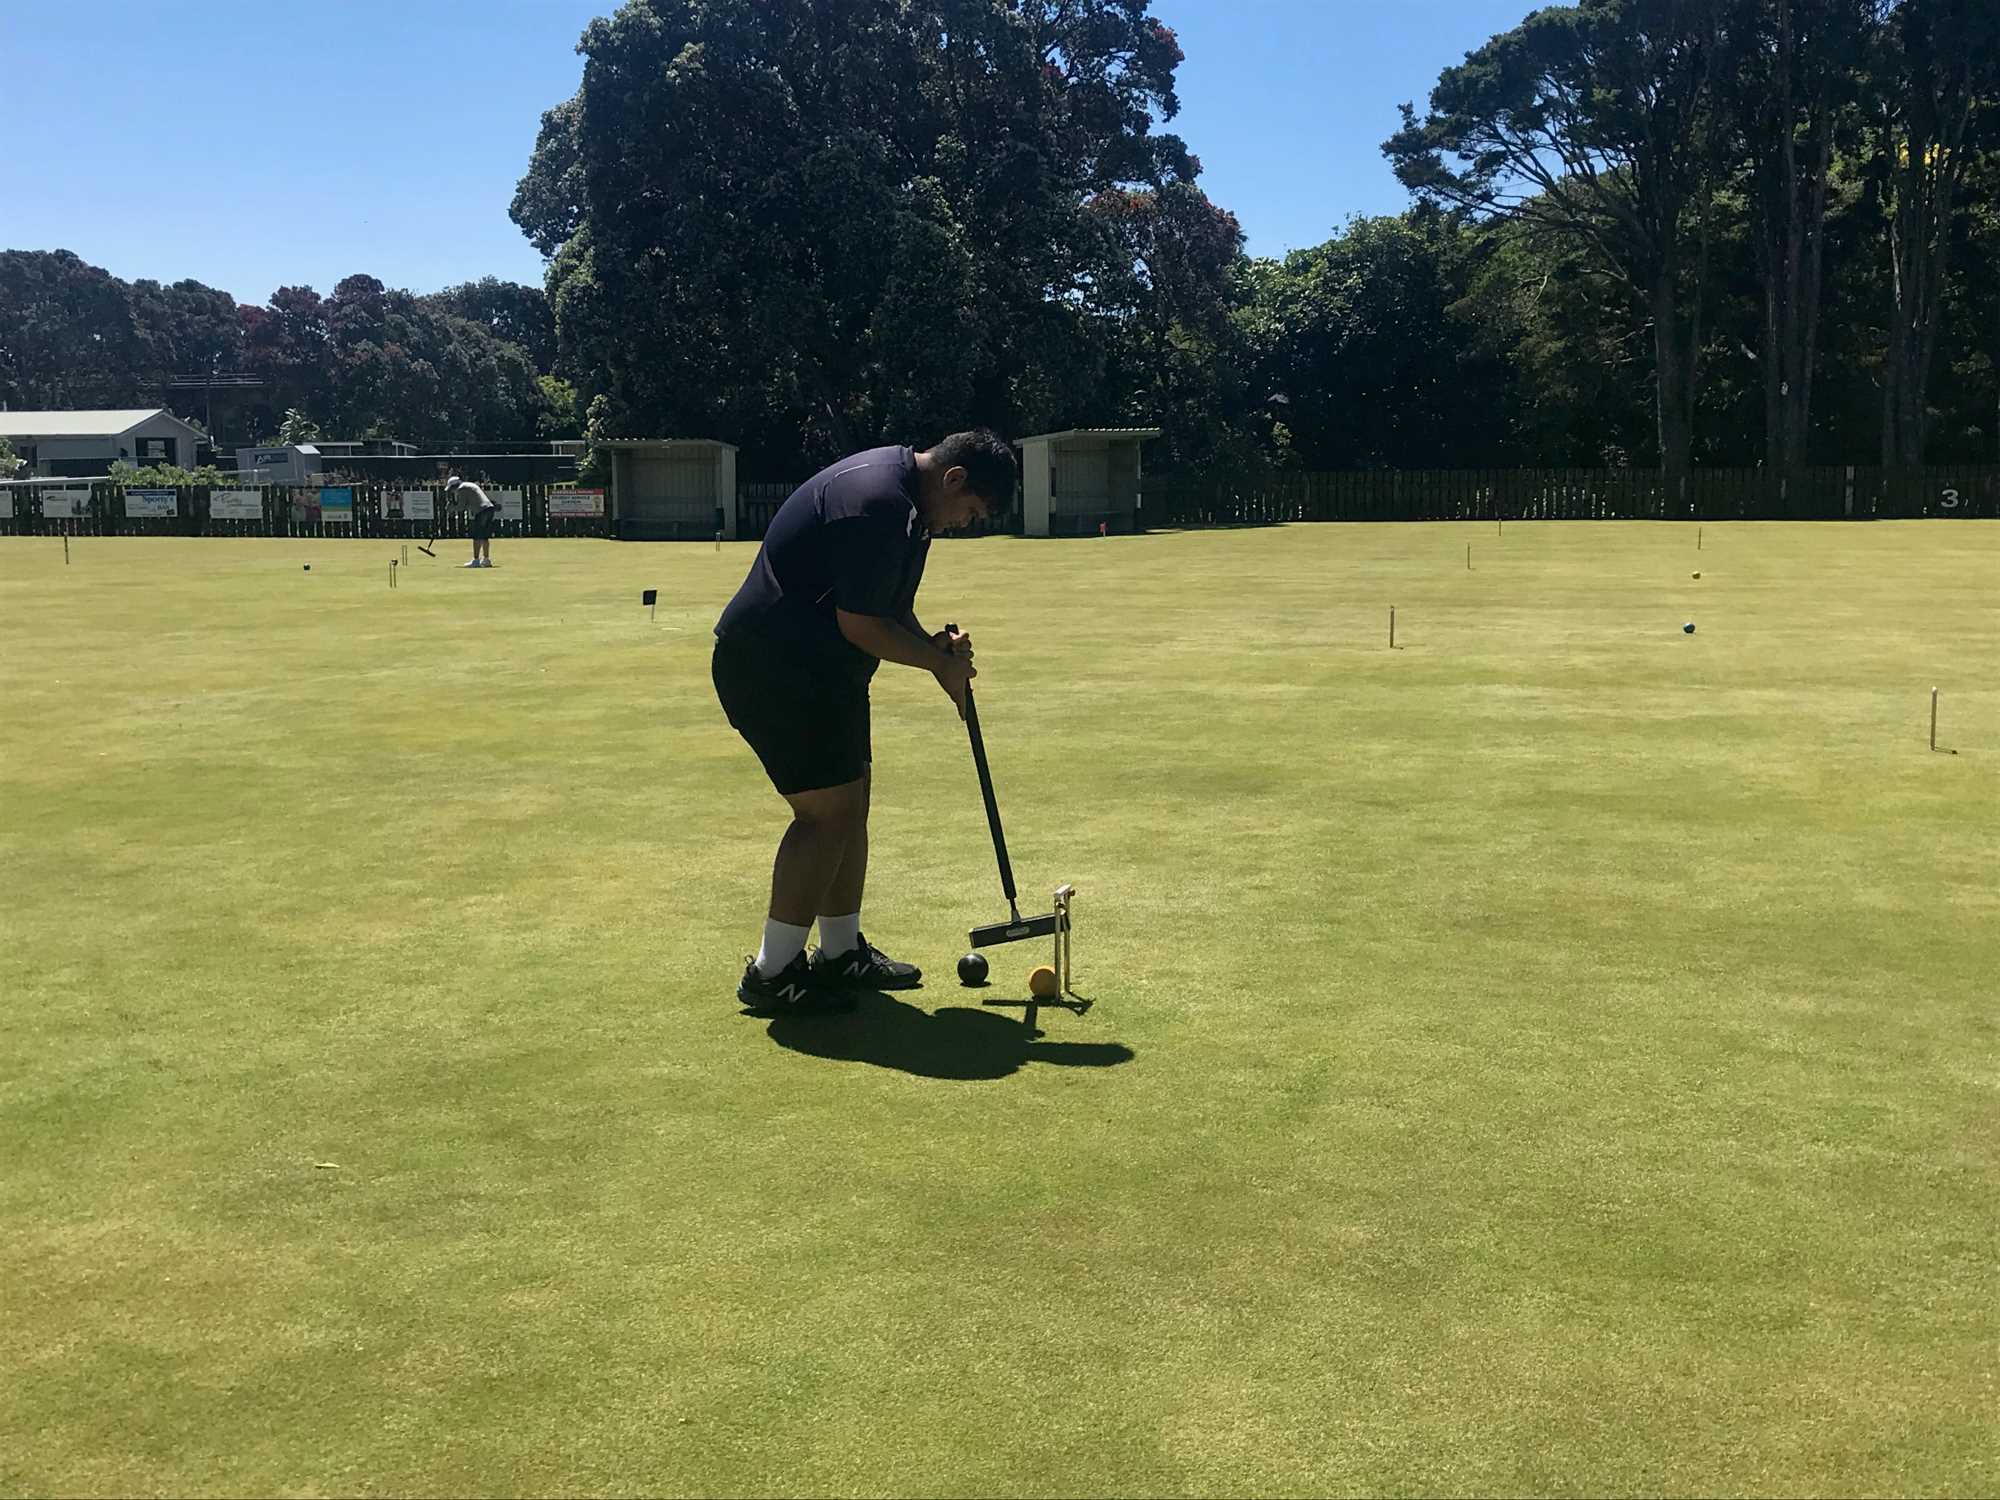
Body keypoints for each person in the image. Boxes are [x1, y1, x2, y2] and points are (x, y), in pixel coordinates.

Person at [713, 430, 1018, 1014]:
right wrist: (936, 665)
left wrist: (935, 653)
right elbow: (861, 624)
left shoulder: (911, 510)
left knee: (852, 806)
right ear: (954, 479)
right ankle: (772, 973)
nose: (964, 523)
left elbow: (887, 605)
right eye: (970, 511)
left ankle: (839, 952)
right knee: (826, 815)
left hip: (824, 672)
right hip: (777, 667)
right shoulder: (878, 501)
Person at [447, 475, 498, 567]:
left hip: (481, 511)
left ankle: (476, 561)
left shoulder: (461, 489)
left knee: (477, 536)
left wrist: (451, 508)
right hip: (489, 509)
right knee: (484, 536)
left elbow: (461, 507)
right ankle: (486, 560)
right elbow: (468, 503)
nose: (452, 491)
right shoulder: (469, 485)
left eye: (451, 489)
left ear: (454, 486)